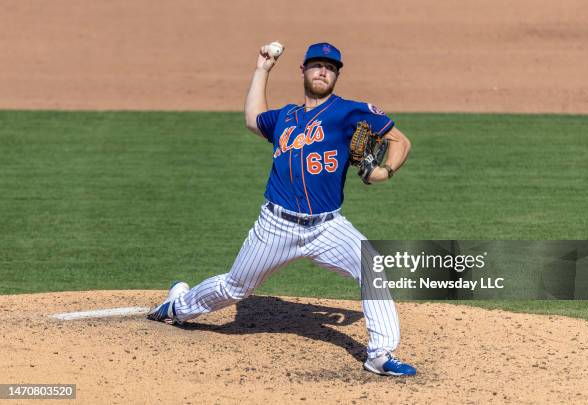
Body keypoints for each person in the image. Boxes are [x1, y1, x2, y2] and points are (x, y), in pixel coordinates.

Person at [147, 42, 415, 376]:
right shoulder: (285, 117)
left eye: (330, 68)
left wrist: (384, 172)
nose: (322, 71)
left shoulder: (350, 112)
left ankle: (380, 353)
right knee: (235, 288)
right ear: (303, 70)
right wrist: (263, 68)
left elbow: (400, 141)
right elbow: (252, 119)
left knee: (372, 264)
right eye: (316, 65)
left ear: (336, 75)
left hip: (328, 227)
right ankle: (177, 305)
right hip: (276, 226)